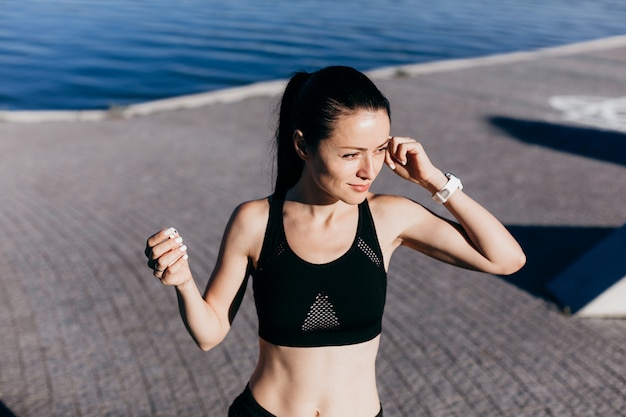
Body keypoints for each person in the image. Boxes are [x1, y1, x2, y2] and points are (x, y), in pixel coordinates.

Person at [144, 66, 526, 417]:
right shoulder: (256, 221)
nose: (369, 170)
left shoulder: (389, 217)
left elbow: (505, 260)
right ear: (303, 146)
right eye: (350, 154)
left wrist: (434, 182)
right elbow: (210, 335)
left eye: (378, 150)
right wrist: (183, 284)